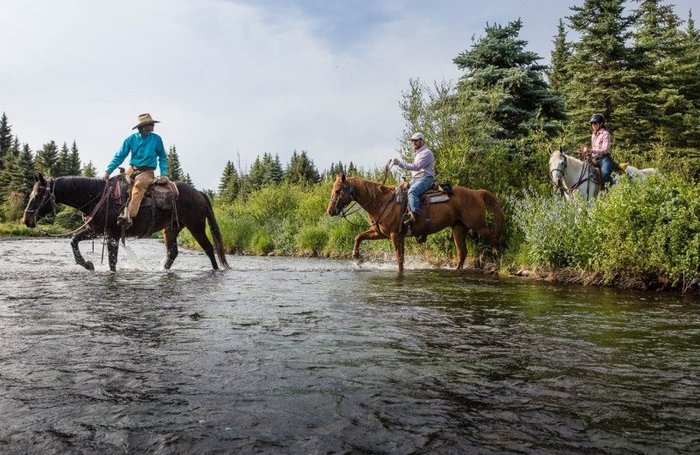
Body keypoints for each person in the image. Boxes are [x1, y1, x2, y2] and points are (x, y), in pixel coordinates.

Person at [103, 113, 168, 228]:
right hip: (132, 169)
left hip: (147, 172)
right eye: (150, 124)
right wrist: (108, 171)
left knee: (138, 188)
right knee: (116, 185)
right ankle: (109, 214)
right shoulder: (131, 139)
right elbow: (119, 156)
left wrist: (163, 174)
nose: (153, 125)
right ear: (143, 126)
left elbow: (162, 157)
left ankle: (128, 217)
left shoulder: (156, 139)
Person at [390, 132, 435, 225]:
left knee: (412, 191)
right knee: (399, 191)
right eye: (412, 141)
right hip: (417, 179)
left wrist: (399, 163)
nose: (413, 142)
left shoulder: (426, 153)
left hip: (426, 178)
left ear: (422, 141)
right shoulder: (419, 154)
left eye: (416, 140)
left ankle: (415, 215)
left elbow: (416, 167)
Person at [584, 113, 614, 187]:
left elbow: (605, 149)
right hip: (594, 159)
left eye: (595, 123)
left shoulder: (605, 134)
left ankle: (613, 186)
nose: (593, 125)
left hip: (605, 159)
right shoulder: (593, 135)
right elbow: (593, 148)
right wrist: (588, 153)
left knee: (605, 175)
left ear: (601, 123)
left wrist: (592, 150)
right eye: (592, 123)